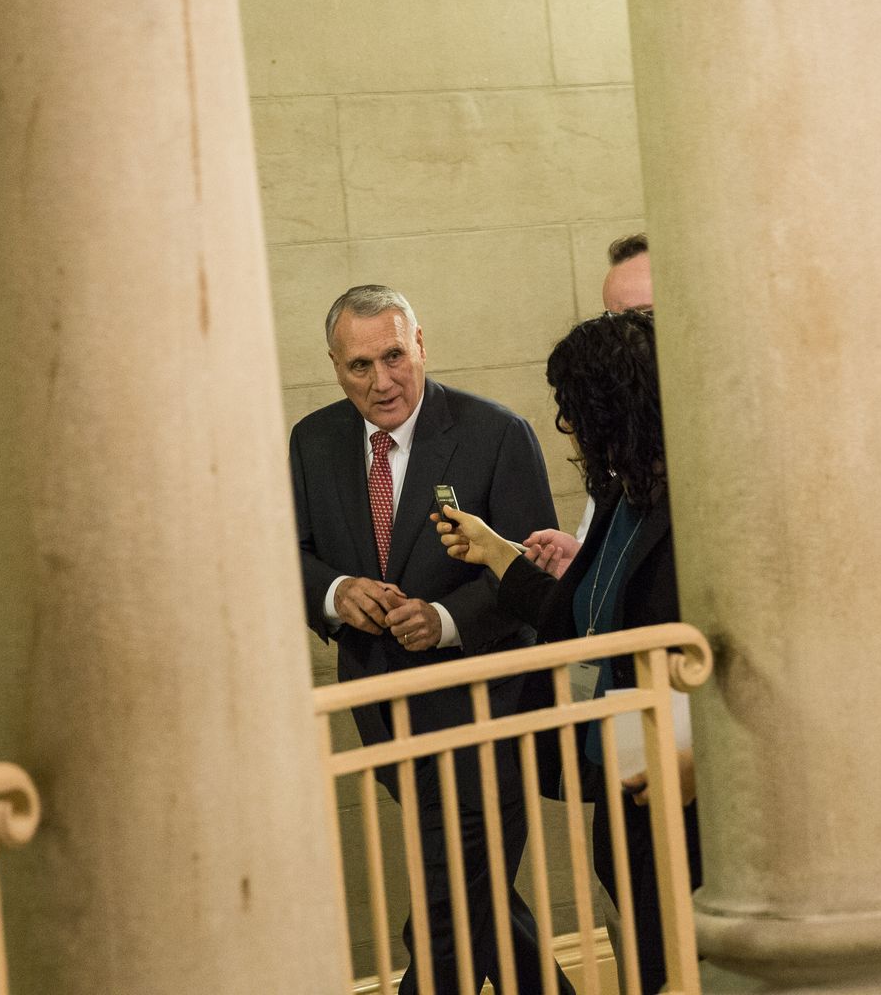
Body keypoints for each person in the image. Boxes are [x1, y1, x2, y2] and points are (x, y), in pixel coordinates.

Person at [289, 285, 568, 995]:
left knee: (449, 915)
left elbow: (532, 581)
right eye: (358, 366)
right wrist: (334, 592)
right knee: (479, 906)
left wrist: (445, 622)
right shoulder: (313, 441)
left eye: (392, 356)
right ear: (333, 365)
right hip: (384, 709)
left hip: (486, 709)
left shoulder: (496, 433)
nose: (380, 382)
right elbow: (290, 553)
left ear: (421, 345)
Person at [434, 310, 703, 995]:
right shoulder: (619, 495)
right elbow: (576, 622)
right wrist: (497, 552)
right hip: (619, 783)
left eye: (573, 410)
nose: (567, 429)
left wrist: (705, 751)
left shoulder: (700, 503)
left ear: (612, 409)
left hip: (690, 787)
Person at [523, 233, 656, 577]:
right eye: (612, 323)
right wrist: (581, 559)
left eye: (644, 318)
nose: (623, 341)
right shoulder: (618, 436)